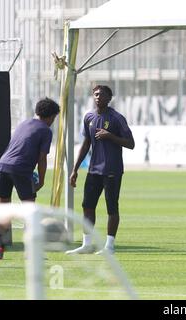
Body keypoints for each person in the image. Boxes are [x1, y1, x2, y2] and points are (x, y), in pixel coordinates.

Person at [66, 85, 135, 255]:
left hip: (112, 170)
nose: (97, 97)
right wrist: (75, 170)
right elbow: (86, 144)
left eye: (101, 95)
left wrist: (110, 136)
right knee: (87, 206)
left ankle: (109, 246)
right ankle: (87, 244)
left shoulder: (117, 118)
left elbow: (131, 143)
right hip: (93, 170)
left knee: (112, 208)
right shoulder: (89, 116)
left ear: (109, 98)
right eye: (95, 94)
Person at [0, 98, 60, 259]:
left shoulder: (24, 123)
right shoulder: (45, 130)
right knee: (30, 210)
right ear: (51, 116)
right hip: (21, 169)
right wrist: (42, 180)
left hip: (3, 166)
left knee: (3, 208)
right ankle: (32, 251)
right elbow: (42, 158)